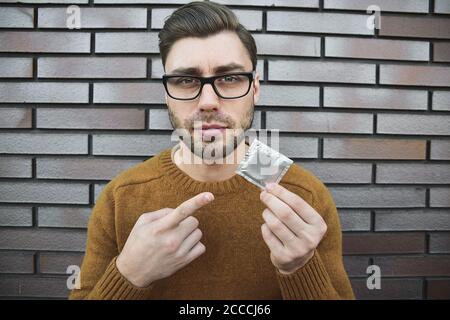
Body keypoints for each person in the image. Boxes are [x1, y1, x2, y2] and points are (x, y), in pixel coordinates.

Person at [69, 1, 354, 300]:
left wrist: (301, 268)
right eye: (185, 80)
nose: (208, 101)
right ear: (167, 94)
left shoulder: (305, 197)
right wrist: (129, 275)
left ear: (255, 88)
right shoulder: (121, 197)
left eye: (229, 78)